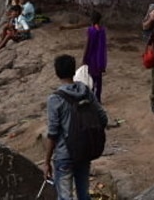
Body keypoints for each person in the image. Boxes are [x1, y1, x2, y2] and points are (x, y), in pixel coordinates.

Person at [44, 54, 108, 200]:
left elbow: (52, 133)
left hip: (64, 156)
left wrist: (47, 162)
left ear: (57, 73)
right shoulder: (86, 91)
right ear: (74, 72)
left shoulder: (55, 99)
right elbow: (103, 118)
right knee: (84, 194)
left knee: (65, 197)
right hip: (84, 151)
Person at [82, 11, 107, 103]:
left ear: (91, 20)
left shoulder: (90, 30)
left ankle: (91, 97)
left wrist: (84, 58)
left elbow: (87, 45)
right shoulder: (102, 30)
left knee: (91, 78)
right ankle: (98, 98)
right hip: (100, 57)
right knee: (99, 78)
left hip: (92, 57)